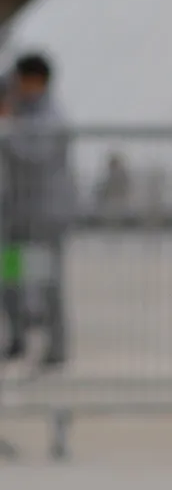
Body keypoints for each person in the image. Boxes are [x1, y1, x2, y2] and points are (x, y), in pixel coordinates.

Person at [0, 51, 73, 370]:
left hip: (45, 217)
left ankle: (57, 347)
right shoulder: (21, 111)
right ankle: (17, 338)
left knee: (48, 281)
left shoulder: (52, 117)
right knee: (11, 277)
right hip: (18, 216)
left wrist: (7, 128)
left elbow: (34, 154)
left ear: (35, 81)